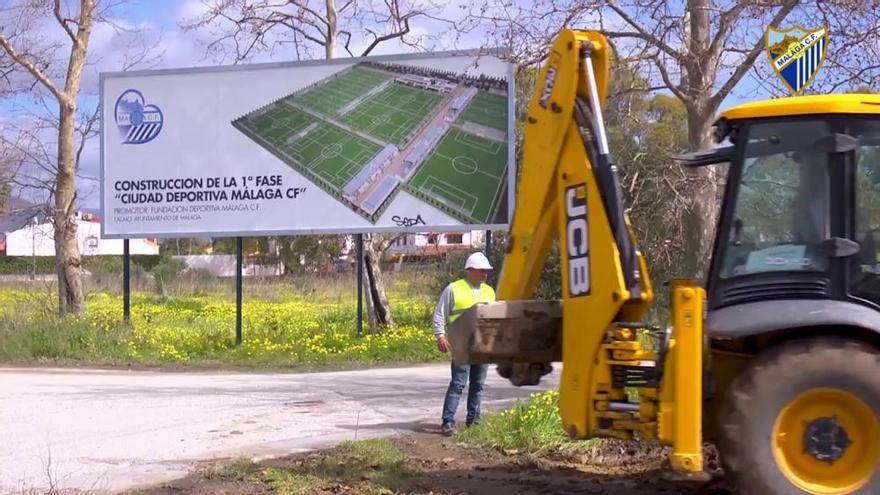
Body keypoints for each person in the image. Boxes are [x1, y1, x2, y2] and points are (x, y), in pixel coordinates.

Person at [433, 251, 496, 436]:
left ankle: (474, 421)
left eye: (486, 271)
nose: (485, 274)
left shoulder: (489, 291)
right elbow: (439, 313)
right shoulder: (454, 289)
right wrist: (440, 336)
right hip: (461, 344)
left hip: (482, 345)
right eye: (481, 270)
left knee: (478, 384)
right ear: (470, 270)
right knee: (458, 383)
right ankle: (448, 421)